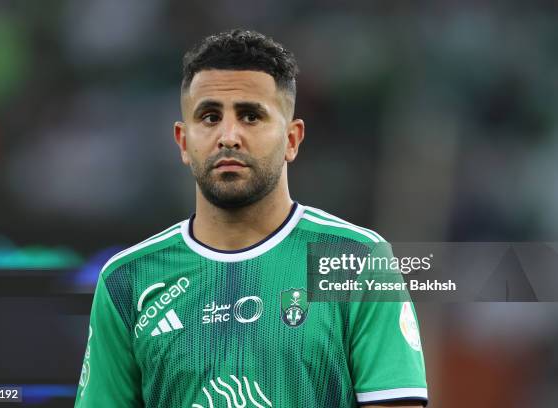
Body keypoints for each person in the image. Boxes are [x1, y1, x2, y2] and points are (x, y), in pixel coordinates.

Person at [74, 29, 427, 408]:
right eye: (209, 117)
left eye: (251, 116)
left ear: (292, 139)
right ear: (183, 142)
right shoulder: (127, 280)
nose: (229, 136)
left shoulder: (355, 260)